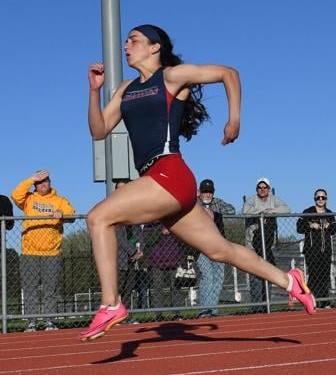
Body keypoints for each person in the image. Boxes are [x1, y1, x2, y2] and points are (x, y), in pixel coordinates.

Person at [83, 24, 314, 341]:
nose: (126, 46)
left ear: (155, 48)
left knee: (98, 217)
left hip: (170, 173)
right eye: (125, 41)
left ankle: (110, 304)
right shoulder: (124, 89)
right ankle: (290, 281)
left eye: (133, 40)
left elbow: (229, 74)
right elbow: (98, 131)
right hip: (154, 181)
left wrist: (234, 118)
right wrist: (95, 91)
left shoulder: (172, 76)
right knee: (220, 251)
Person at [11, 171, 75, 332]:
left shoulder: (60, 200)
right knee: (29, 289)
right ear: (35, 185)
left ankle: (49, 322)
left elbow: (72, 215)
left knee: (50, 289)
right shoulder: (29, 199)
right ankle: (31, 323)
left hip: (51, 253)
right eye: (39, 182)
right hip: (29, 252)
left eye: (45, 181)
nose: (43, 184)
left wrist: (63, 215)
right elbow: (15, 195)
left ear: (50, 182)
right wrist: (31, 178)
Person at [242, 177, 292, 312]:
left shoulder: (274, 199)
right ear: (256, 189)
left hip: (269, 245)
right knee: (256, 277)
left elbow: (287, 209)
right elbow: (245, 212)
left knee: (269, 274)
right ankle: (257, 307)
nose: (263, 190)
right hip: (253, 245)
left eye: (265, 187)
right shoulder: (252, 200)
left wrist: (271, 212)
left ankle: (267, 305)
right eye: (260, 187)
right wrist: (260, 214)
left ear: (269, 189)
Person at [195, 178, 236, 318]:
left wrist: (214, 212)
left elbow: (232, 210)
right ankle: (204, 311)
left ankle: (213, 310)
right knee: (207, 277)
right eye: (205, 191)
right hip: (201, 247)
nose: (208, 194)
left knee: (219, 277)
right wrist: (201, 211)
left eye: (210, 192)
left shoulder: (216, 202)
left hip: (218, 245)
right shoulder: (194, 203)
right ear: (199, 192)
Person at [296, 188, 336, 308]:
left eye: (323, 197)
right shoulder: (308, 212)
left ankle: (325, 302)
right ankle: (308, 300)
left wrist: (329, 226)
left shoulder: (329, 213)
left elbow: (334, 230)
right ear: (315, 199)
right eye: (318, 197)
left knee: (325, 275)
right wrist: (310, 225)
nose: (320, 199)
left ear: (326, 199)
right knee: (314, 275)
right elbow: (299, 227)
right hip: (312, 250)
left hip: (326, 249)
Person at [114, 179, 145, 311]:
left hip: (132, 259)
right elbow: (118, 237)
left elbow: (139, 232)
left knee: (129, 288)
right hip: (119, 257)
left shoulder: (134, 209)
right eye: (119, 189)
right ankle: (113, 314)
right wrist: (133, 251)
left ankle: (126, 315)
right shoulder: (113, 209)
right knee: (117, 288)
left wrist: (140, 249)